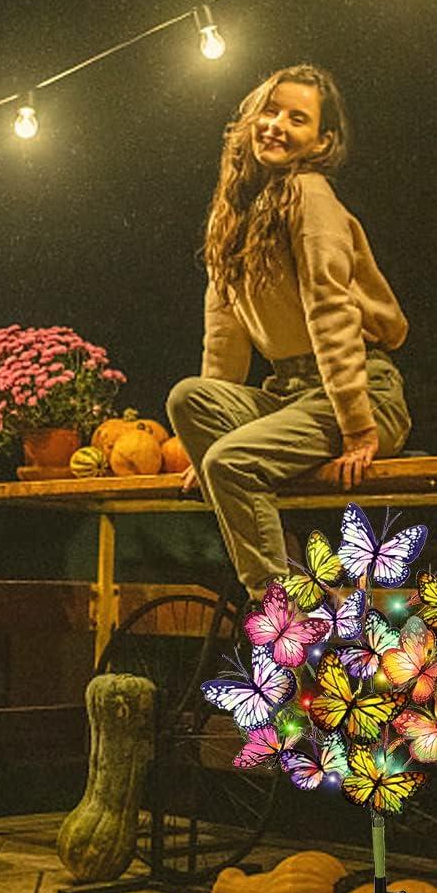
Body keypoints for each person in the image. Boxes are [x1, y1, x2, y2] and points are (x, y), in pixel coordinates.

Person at [166, 63, 412, 603]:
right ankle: (296, 568)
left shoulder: (308, 192)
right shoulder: (233, 212)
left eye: (296, 119)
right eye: (270, 110)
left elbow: (331, 310)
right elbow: (224, 336)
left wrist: (358, 428)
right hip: (290, 396)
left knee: (230, 464)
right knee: (189, 399)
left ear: (320, 141)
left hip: (359, 391)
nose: (276, 124)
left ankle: (285, 616)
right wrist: (199, 448)